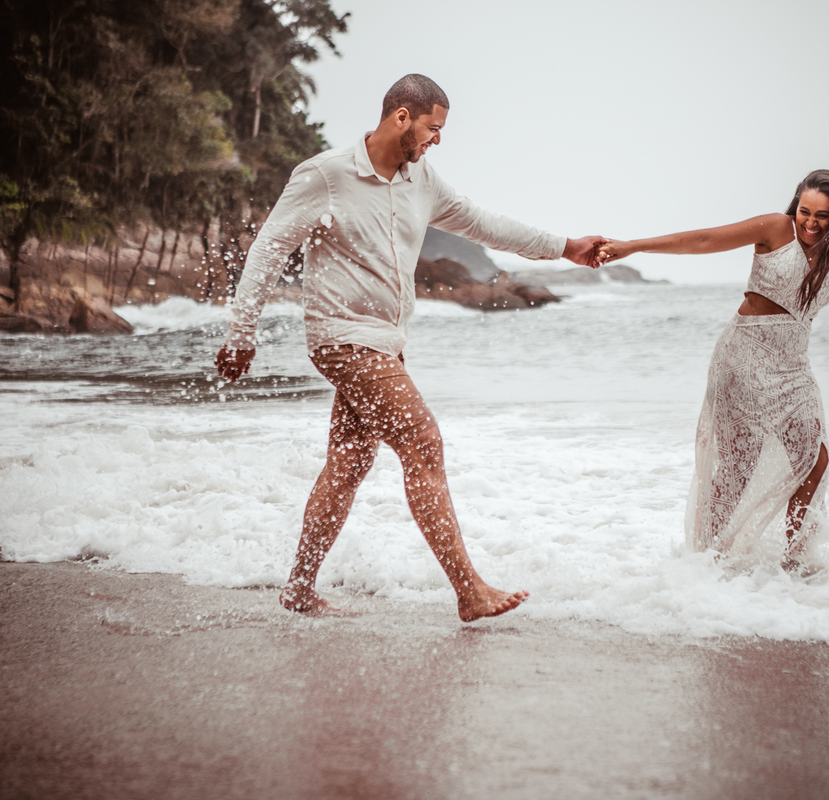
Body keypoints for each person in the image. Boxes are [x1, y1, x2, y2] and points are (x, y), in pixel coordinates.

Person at [215, 74, 604, 620]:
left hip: (385, 345)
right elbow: (268, 250)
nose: (436, 141)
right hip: (342, 338)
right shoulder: (325, 175)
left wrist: (564, 247)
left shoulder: (422, 180)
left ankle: (298, 587)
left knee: (348, 462)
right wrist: (241, 334)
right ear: (402, 116)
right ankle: (468, 590)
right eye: (432, 129)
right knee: (424, 443)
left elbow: (484, 223)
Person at [596, 170, 829, 569]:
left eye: (821, 216)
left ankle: (796, 562)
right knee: (739, 465)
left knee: (814, 460)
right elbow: (704, 240)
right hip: (744, 356)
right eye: (805, 211)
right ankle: (707, 561)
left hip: (793, 367)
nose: (810, 222)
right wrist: (633, 247)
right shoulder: (776, 228)